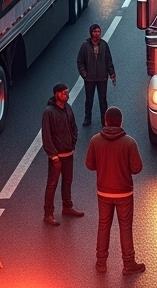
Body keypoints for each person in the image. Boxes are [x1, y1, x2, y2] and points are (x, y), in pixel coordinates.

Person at [85, 107, 146, 274]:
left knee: (103, 225)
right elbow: (137, 168)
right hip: (124, 192)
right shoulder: (129, 142)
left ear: (105, 121)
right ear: (121, 121)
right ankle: (128, 264)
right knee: (125, 227)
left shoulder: (95, 140)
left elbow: (89, 165)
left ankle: (101, 262)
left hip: (103, 192)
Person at [40, 83, 83, 226]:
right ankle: (48, 213)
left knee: (67, 182)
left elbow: (74, 128)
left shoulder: (68, 108)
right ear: (56, 94)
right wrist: (53, 155)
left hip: (68, 153)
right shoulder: (49, 112)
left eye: (67, 92)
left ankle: (67, 207)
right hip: (56, 157)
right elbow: (47, 136)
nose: (66, 94)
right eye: (64, 92)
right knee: (52, 184)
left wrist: (73, 145)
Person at [76, 24, 116, 126]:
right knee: (89, 100)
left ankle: (105, 120)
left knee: (103, 100)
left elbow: (108, 60)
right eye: (95, 31)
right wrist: (84, 74)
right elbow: (80, 61)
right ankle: (87, 118)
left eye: (98, 31)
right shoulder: (85, 46)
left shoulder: (104, 45)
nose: (97, 33)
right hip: (89, 79)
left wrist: (112, 73)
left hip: (102, 78)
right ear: (91, 33)